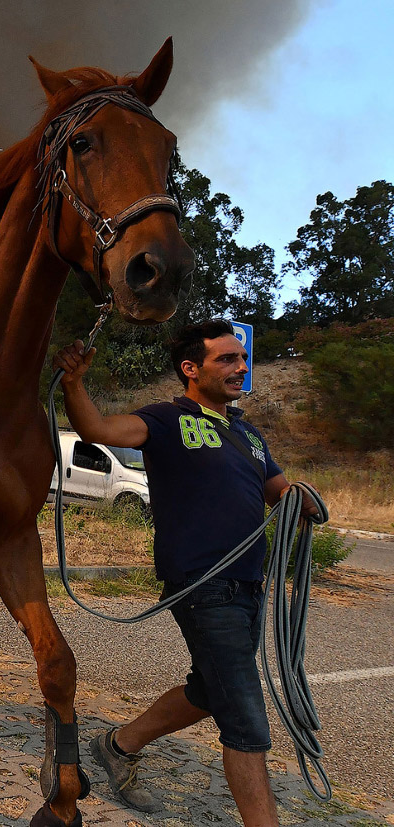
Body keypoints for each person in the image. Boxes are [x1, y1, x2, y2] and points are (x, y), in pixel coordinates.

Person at [51, 319, 317, 827]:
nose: (241, 367)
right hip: (203, 585)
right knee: (246, 724)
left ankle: (118, 745)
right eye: (227, 360)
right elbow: (98, 431)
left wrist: (297, 498)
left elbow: (276, 488)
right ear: (191, 370)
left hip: (249, 585)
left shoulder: (248, 432)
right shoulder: (165, 419)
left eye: (242, 359)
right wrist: (74, 384)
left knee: (209, 690)